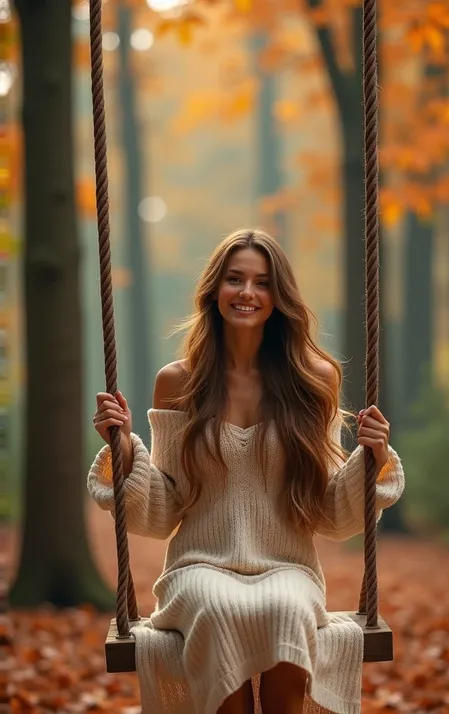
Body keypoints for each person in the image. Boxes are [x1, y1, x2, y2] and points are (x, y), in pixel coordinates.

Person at [87, 229, 405, 714]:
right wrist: (126, 449)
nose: (248, 293)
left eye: (262, 282)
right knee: (220, 608)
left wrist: (373, 459)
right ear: (215, 290)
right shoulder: (178, 382)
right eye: (235, 279)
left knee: (286, 609)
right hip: (198, 566)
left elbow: (329, 514)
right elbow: (165, 510)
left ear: (279, 297)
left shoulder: (312, 381)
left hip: (288, 565)